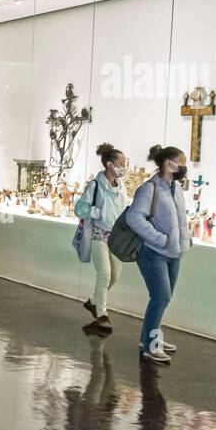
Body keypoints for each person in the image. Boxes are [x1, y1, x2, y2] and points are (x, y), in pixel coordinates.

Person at [125, 144, 190, 364]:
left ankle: (150, 338)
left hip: (174, 253)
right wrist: (161, 239)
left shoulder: (176, 188)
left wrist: (185, 239)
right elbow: (134, 218)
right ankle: (151, 345)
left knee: (164, 298)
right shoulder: (149, 189)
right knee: (160, 296)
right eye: (180, 161)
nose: (183, 166)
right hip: (153, 253)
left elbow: (180, 217)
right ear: (167, 163)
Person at [75, 142, 129, 333]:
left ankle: (93, 302)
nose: (124, 168)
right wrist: (95, 212)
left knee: (115, 275)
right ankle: (102, 314)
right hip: (98, 236)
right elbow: (79, 208)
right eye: (121, 164)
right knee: (104, 273)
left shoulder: (121, 185)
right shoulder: (95, 185)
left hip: (116, 237)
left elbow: (124, 208)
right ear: (109, 164)